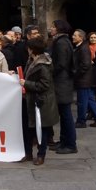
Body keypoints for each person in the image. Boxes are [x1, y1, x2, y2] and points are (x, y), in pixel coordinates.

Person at [20, 36, 59, 166]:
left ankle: (41, 154)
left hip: (41, 101)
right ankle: (28, 153)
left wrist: (26, 83)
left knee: (42, 129)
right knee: (28, 128)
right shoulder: (31, 60)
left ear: (32, 49)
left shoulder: (43, 65)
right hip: (30, 100)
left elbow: (44, 85)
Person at [50, 19, 77, 154]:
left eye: (53, 26)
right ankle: (63, 140)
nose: (51, 28)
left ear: (59, 28)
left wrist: (50, 73)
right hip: (63, 81)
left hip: (62, 82)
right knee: (63, 113)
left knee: (66, 114)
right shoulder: (63, 41)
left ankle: (71, 144)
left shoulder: (61, 43)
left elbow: (60, 64)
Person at [73, 29, 96, 128]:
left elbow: (85, 65)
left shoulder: (83, 48)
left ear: (81, 37)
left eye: (75, 35)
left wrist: (76, 75)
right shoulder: (84, 47)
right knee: (90, 99)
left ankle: (81, 121)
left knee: (82, 101)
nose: (73, 37)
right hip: (87, 78)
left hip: (84, 79)